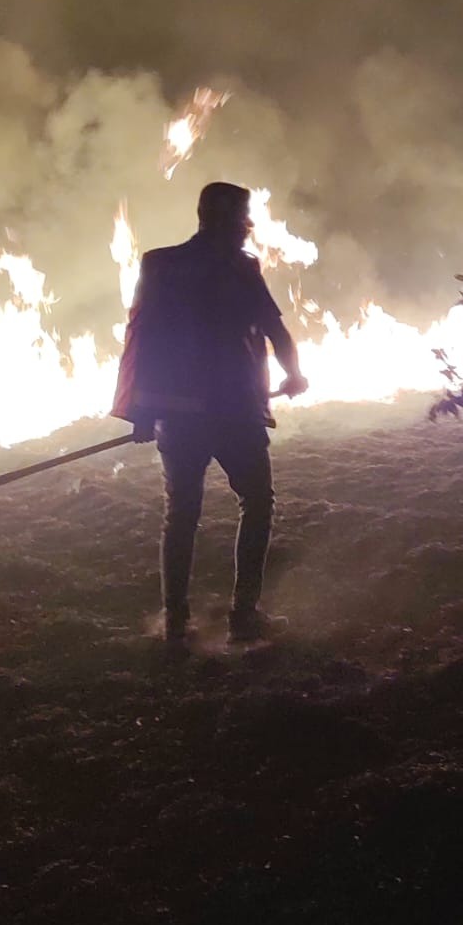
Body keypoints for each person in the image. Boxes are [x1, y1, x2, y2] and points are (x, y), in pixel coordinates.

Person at [112, 180, 308, 645]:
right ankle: (243, 616)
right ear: (226, 220)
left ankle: (177, 621)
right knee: (256, 503)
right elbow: (274, 328)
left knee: (181, 513)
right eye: (244, 218)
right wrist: (294, 374)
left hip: (178, 415)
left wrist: (142, 411)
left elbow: (143, 340)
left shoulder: (160, 265)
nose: (248, 228)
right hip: (234, 408)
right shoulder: (240, 269)